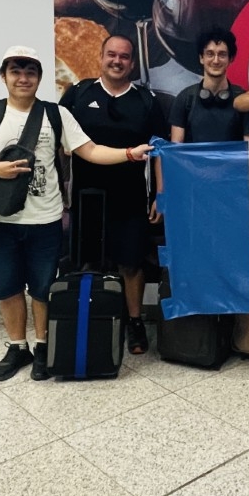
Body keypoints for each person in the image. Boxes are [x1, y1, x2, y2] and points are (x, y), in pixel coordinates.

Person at [0, 45, 152, 381]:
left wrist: (129, 154)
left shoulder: (56, 115)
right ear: (3, 76)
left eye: (30, 72)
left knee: (43, 288)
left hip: (45, 220)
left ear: (39, 78)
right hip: (1, 219)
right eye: (16, 72)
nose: (23, 78)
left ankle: (43, 347)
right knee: (7, 288)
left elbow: (90, 150)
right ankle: (17, 346)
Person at [59, 34, 167, 355]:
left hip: (130, 197)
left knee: (131, 264)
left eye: (124, 56)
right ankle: (91, 323)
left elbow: (160, 152)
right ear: (101, 57)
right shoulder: (78, 94)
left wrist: (160, 194)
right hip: (86, 197)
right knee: (87, 262)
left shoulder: (146, 101)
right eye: (112, 55)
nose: (117, 61)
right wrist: (60, 190)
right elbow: (59, 145)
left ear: (132, 63)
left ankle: (134, 322)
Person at [170, 28, 249, 144]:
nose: (216, 61)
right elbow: (176, 150)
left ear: (230, 59)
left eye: (222, 54)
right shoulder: (184, 98)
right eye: (210, 54)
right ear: (201, 58)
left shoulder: (244, 101)